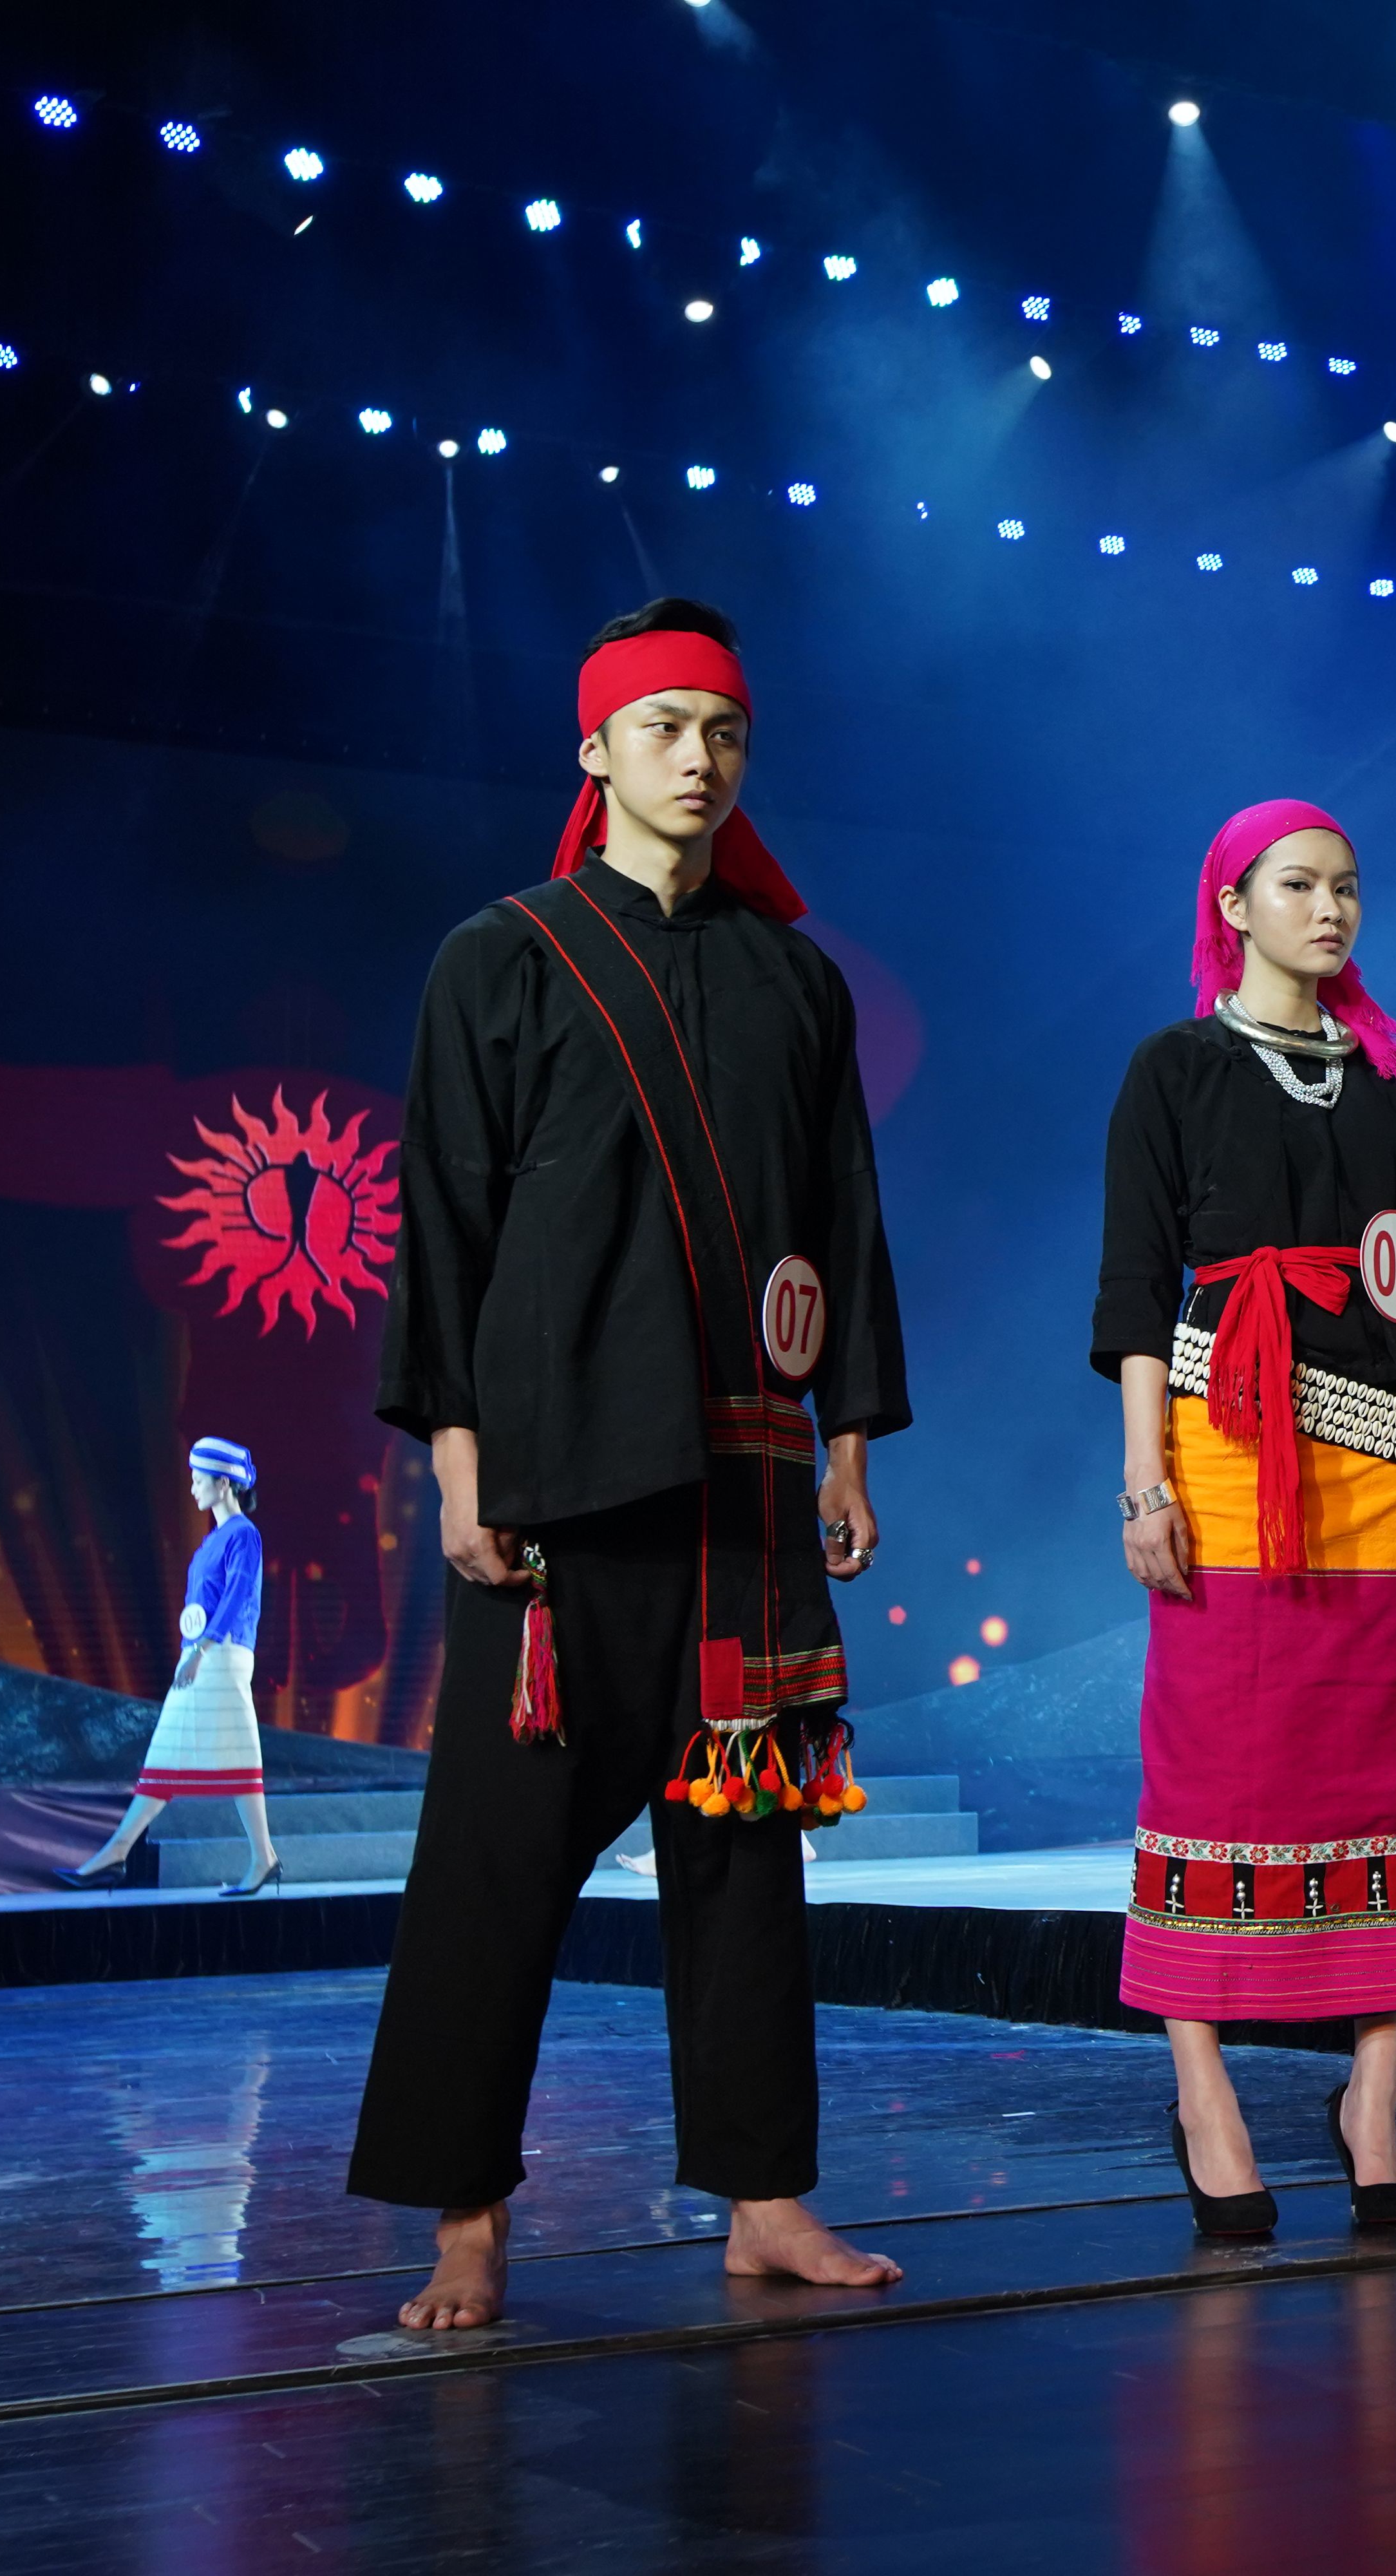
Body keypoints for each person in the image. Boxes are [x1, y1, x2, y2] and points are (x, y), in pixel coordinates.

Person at [346, 596, 912, 2331]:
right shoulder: (502, 957)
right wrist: (459, 1466)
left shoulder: (796, 979)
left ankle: (765, 2199)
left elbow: (841, 1221)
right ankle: (465, 2216)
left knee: (742, 1854)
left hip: (748, 1483)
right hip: (558, 1480)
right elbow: (445, 1223)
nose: (698, 757)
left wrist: (850, 1448)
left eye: (723, 731)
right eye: (663, 727)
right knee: (499, 1859)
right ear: (594, 751)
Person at [1093, 798, 1396, 2237]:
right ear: (1233, 906)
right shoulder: (1176, 1067)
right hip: (1227, 1445)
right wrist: (1144, 1481)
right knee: (1217, 1761)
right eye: (1298, 886)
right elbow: (1136, 1293)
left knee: (1387, 1769)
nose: (1330, 909)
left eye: (1347, 888)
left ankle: (1371, 2102)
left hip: (1390, 1462)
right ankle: (1203, 2091)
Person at [60, 1435, 281, 1895]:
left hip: (220, 1654)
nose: (194, 1488)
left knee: (184, 1751)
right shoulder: (214, 1540)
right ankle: (260, 1858)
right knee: (203, 1753)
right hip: (205, 1652)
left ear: (224, 1484)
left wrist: (200, 1652)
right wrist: (194, 1650)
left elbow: (238, 1595)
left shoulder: (243, 1535)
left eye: (200, 1480)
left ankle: (118, 1851)